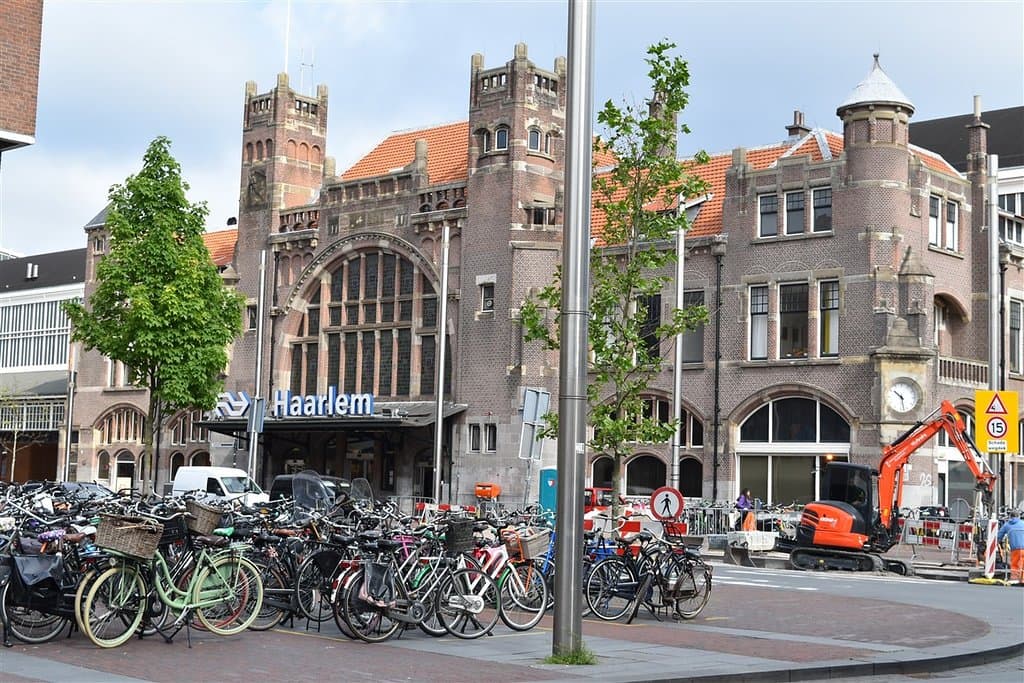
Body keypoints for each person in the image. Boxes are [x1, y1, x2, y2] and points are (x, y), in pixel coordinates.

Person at [997, 509, 1024, 585]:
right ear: (1018, 516)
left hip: (1015, 547)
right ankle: (1023, 579)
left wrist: (997, 542)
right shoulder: (1023, 523)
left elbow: (999, 535)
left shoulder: (1007, 524)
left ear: (1010, 516)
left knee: (1015, 564)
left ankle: (1015, 579)